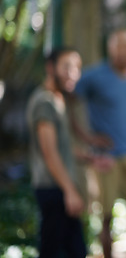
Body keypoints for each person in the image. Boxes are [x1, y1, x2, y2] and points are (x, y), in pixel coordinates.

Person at [75, 28, 126, 258]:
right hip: (106, 156)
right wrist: (87, 137)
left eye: (125, 45)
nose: (120, 51)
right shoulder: (94, 76)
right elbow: (69, 101)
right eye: (115, 45)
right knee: (106, 219)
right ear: (109, 47)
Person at [26, 47, 87, 258]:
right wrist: (70, 191)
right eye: (67, 67)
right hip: (53, 190)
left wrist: (91, 158)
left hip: (60, 188)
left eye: (77, 68)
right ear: (50, 68)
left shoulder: (57, 99)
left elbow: (62, 149)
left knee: (76, 250)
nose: (73, 73)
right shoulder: (45, 102)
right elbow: (49, 152)